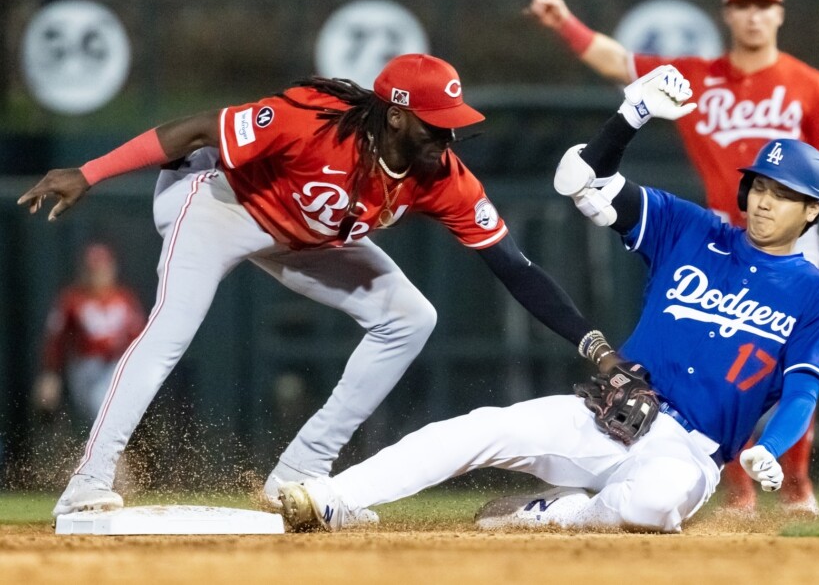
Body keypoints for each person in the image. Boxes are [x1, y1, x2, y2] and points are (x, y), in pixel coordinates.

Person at [19, 53, 620, 518]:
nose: (448, 139)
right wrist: (89, 172)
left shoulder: (444, 178)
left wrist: (592, 344)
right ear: (395, 115)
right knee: (172, 328)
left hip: (304, 237)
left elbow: (516, 267)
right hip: (219, 203)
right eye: (436, 126)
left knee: (411, 317)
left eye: (454, 126)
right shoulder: (312, 120)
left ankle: (298, 475)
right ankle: (88, 482)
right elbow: (195, 131)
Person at [276, 65, 819, 534]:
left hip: (690, 453)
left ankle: (555, 514)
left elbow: (801, 392)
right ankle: (330, 498)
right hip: (609, 414)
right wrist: (631, 116)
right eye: (761, 187)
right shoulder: (691, 229)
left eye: (785, 195)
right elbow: (579, 180)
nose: (766, 202)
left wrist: (771, 447)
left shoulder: (817, 295)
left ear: (812, 211)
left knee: (651, 505)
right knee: (479, 428)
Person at [525, 0, 819, 515]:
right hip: (716, 241)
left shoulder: (810, 83)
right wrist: (565, 22)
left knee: (787, 367)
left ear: (780, 13)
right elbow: (620, 63)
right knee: (720, 366)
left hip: (793, 245)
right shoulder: (698, 76)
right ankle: (734, 488)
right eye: (742, 5)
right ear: (727, 13)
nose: (753, 15)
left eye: (763, 5)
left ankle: (796, 480)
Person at [32, 243, 146, 427]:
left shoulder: (125, 298)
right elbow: (56, 340)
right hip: (86, 369)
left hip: (118, 367)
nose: (98, 274)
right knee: (101, 411)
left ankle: (115, 452)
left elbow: (140, 339)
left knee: (111, 419)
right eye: (93, 269)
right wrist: (50, 375)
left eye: (102, 268)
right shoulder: (72, 300)